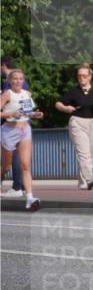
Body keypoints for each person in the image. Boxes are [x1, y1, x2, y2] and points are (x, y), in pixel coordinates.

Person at [54, 63, 93, 190]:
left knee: (90, 152)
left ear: (90, 77)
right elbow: (57, 103)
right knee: (83, 153)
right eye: (79, 76)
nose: (81, 78)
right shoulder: (73, 91)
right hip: (77, 122)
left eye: (84, 76)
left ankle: (82, 181)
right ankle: (89, 178)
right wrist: (65, 108)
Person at [1, 69, 43, 210]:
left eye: (20, 79)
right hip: (9, 131)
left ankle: (30, 198)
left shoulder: (27, 94)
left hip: (25, 130)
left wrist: (35, 114)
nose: (18, 81)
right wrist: (10, 113)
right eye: (15, 79)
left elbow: (27, 112)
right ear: (10, 81)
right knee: (6, 167)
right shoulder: (7, 94)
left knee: (25, 165)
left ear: (23, 81)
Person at [1, 56, 29, 197]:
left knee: (15, 157)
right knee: (15, 157)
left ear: (3, 66)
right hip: (14, 123)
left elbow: (24, 105)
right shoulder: (7, 84)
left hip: (15, 125)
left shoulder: (12, 84)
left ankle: (18, 186)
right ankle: (20, 186)